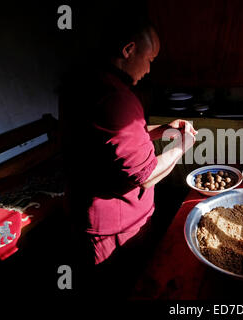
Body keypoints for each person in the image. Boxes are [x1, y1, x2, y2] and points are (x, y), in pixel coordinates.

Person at [59, 16, 197, 295]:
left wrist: (162, 130)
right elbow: (145, 176)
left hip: (87, 214)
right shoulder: (116, 98)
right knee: (120, 288)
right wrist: (181, 146)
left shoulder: (87, 80)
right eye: (150, 58)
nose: (149, 69)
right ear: (128, 50)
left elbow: (113, 135)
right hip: (112, 228)